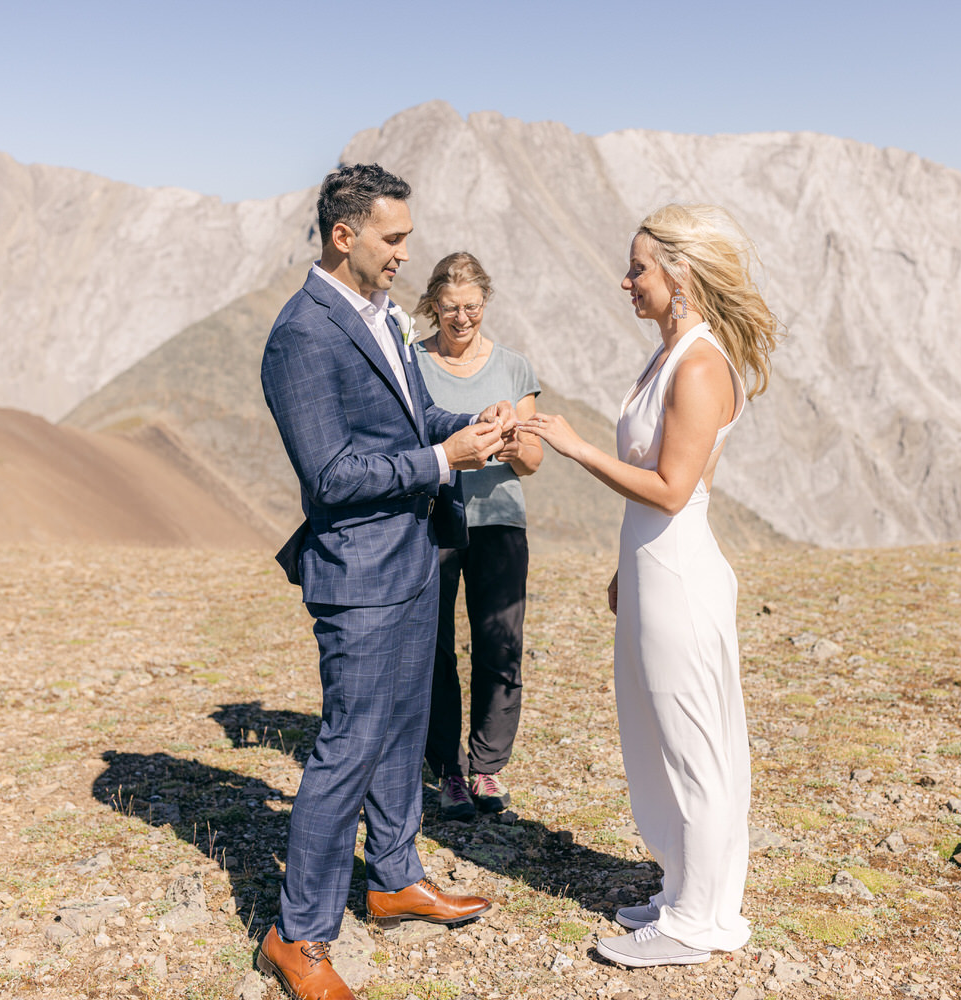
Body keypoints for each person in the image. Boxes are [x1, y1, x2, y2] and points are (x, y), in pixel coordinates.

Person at [258, 164, 517, 1000]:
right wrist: (445, 460)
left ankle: (395, 876)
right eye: (394, 238)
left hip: (412, 559)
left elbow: (405, 419)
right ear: (345, 236)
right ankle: (297, 935)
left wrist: (466, 425)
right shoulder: (302, 334)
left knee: (406, 731)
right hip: (359, 577)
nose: (407, 253)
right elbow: (331, 474)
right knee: (347, 749)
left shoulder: (379, 317)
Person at [521, 204, 779, 969]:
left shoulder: (699, 363)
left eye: (638, 268)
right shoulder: (671, 354)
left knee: (695, 743)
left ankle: (701, 919)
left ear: (681, 276)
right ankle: (683, 889)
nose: (626, 280)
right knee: (657, 735)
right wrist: (623, 567)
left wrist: (573, 447)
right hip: (652, 569)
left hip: (680, 573)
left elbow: (672, 488)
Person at [411, 252, 542, 821]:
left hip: (499, 523)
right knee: (434, 648)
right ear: (432, 306)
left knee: (499, 646)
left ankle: (487, 767)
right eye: (449, 308)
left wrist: (510, 442)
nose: (461, 318)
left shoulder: (514, 368)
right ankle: (447, 770)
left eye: (471, 307)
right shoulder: (410, 363)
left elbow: (533, 458)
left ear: (485, 303)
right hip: (432, 525)